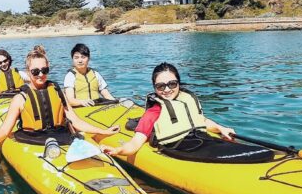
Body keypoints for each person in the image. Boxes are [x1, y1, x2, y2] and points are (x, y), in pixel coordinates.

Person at [0, 45, 119, 148]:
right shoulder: (20, 98)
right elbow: (4, 131)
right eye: (35, 71)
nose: (41, 75)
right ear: (28, 71)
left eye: (44, 70)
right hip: (32, 139)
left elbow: (75, 121)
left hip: (61, 136)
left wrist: (102, 131)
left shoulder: (56, 90)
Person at [102, 62, 238, 158]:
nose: (167, 90)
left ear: (179, 83)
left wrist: (221, 128)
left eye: (172, 84)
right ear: (154, 88)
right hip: (179, 148)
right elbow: (135, 143)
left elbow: (201, 120)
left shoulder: (186, 100)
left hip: (201, 140)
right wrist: (117, 150)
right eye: (161, 86)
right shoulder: (153, 112)